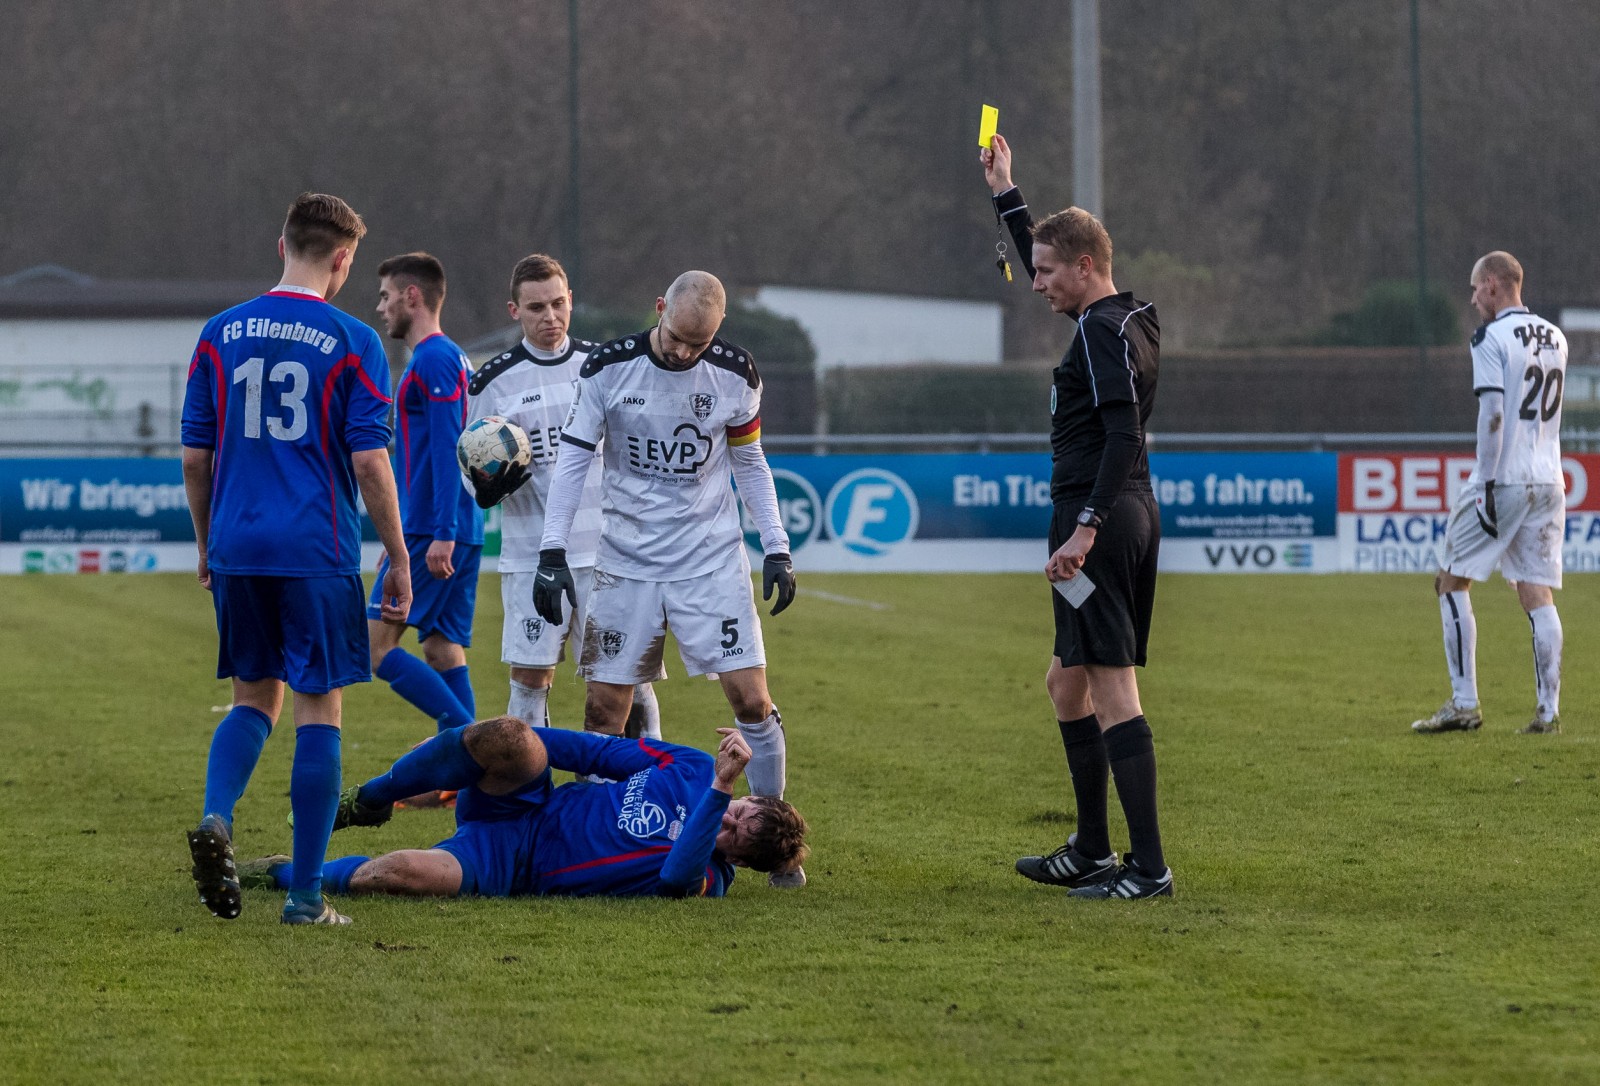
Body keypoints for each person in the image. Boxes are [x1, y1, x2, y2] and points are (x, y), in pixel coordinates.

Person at [181, 192, 412, 926]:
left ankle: (218, 816)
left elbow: (196, 456)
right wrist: (399, 558)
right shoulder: (352, 340)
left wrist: (205, 539)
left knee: (255, 697)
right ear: (342, 260)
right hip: (316, 547)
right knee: (320, 710)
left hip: (238, 545)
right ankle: (307, 898)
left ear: (281, 245)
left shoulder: (219, 333)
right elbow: (371, 465)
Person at [532, 270, 804, 887]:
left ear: (718, 334)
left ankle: (776, 849)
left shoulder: (736, 374)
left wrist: (777, 548)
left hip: (710, 561)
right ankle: (584, 836)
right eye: (678, 337)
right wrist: (552, 552)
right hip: (625, 563)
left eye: (699, 344)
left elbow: (751, 462)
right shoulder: (606, 368)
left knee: (751, 699)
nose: (685, 353)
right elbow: (574, 461)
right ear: (659, 309)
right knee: (604, 710)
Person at [981, 134, 1172, 899]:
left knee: (1113, 689)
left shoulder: (1097, 330)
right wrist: (1007, 193)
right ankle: (1093, 849)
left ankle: (1149, 867)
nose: (1036, 284)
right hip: (1116, 512)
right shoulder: (1123, 317)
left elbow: (1124, 432)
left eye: (1050, 272)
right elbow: (1050, 255)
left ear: (1086, 269)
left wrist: (1086, 527)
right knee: (1067, 685)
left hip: (1101, 520)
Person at [239, 720, 809, 899]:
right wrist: (473, 745)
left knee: (396, 873)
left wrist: (719, 793)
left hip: (512, 864)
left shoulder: (707, 877)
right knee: (510, 736)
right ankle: (369, 799)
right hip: (528, 801)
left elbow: (673, 873)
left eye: (736, 832)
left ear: (741, 858)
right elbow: (595, 751)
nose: (729, 816)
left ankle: (280, 873)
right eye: (741, 807)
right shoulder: (688, 766)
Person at [463, 254, 660, 737]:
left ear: (571, 300)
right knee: (530, 679)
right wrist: (488, 482)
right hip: (532, 555)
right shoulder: (491, 381)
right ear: (514, 311)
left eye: (557, 304)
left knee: (626, 678)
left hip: (609, 554)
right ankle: (530, 791)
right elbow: (471, 472)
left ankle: (646, 784)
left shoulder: (605, 367)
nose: (549, 317)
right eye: (535, 308)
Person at [1411, 251, 1568, 735]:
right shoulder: (1556, 336)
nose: (1474, 296)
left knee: (1450, 580)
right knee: (1535, 591)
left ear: (1496, 285)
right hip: (1549, 477)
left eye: (1477, 287)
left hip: (1506, 478)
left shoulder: (1490, 337)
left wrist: (1484, 481)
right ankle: (1548, 712)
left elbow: (1495, 416)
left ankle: (1464, 704)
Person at [367, 253, 485, 736]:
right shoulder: (450, 355)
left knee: (377, 647)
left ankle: (484, 748)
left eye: (386, 296)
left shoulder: (434, 359)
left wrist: (440, 533)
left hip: (437, 529)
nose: (381, 307)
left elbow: (445, 450)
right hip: (448, 527)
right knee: (439, 647)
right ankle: (464, 776)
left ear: (410, 296)